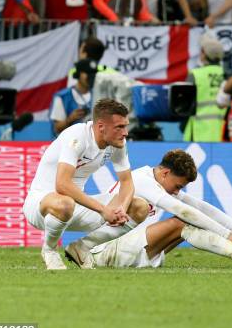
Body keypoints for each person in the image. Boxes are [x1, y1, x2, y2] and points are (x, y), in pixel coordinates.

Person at [86, 149, 232, 269]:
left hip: (128, 250)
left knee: (189, 221)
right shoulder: (141, 181)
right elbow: (185, 213)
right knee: (182, 222)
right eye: (177, 186)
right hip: (104, 251)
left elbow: (204, 208)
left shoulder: (157, 181)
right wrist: (231, 237)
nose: (177, 191)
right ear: (165, 173)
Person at [23, 99, 149, 270]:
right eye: (119, 127)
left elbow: (126, 182)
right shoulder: (77, 136)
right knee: (65, 202)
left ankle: (81, 248)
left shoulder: (117, 144)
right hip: (41, 205)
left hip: (75, 208)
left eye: (125, 126)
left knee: (140, 207)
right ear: (101, 126)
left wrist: (122, 207)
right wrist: (103, 210)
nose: (125, 132)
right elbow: (62, 185)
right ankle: (49, 250)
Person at [183, 34, 227, 142]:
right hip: (223, 132)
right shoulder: (229, 75)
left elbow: (184, 105)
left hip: (199, 132)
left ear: (204, 54)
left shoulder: (195, 74)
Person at [50, 58, 98, 135]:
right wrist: (70, 119)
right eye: (87, 73)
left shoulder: (98, 95)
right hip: (69, 144)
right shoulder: (63, 97)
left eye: (93, 73)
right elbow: (56, 128)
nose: (91, 76)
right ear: (78, 74)